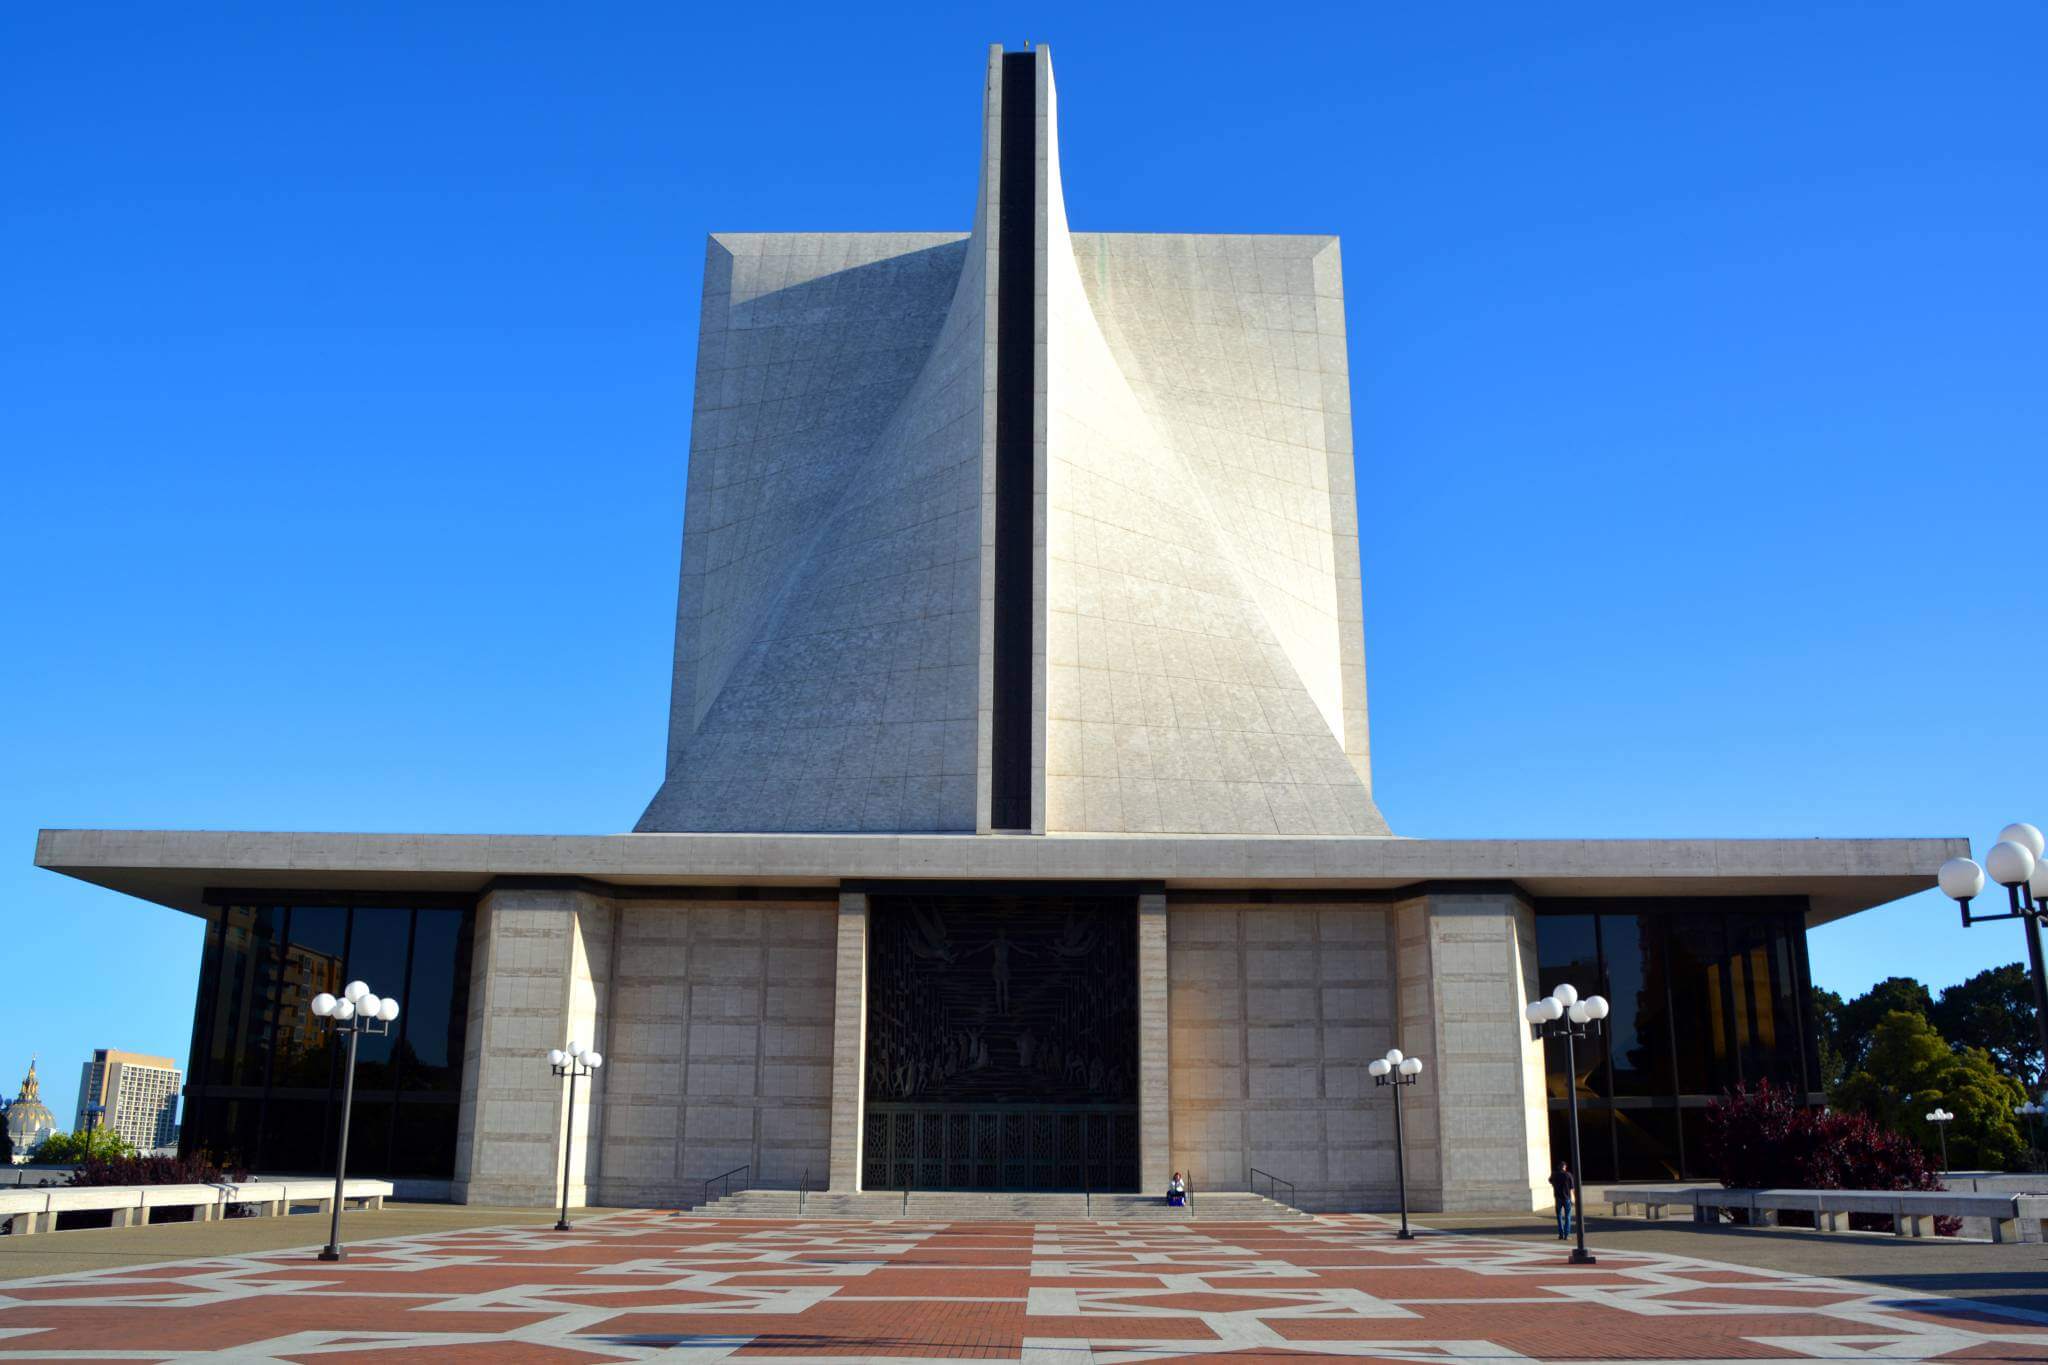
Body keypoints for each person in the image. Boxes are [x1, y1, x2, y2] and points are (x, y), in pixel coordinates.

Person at [1549, 1161, 1577, 1239]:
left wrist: (1555, 1185)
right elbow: (1572, 1188)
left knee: (1559, 1216)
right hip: (1567, 1197)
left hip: (1558, 1197)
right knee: (1567, 1216)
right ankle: (1567, 1235)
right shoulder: (1568, 1175)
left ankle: (1561, 1234)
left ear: (1558, 1167)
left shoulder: (1554, 1174)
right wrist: (1574, 1198)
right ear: (1565, 1167)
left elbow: (1550, 1181)